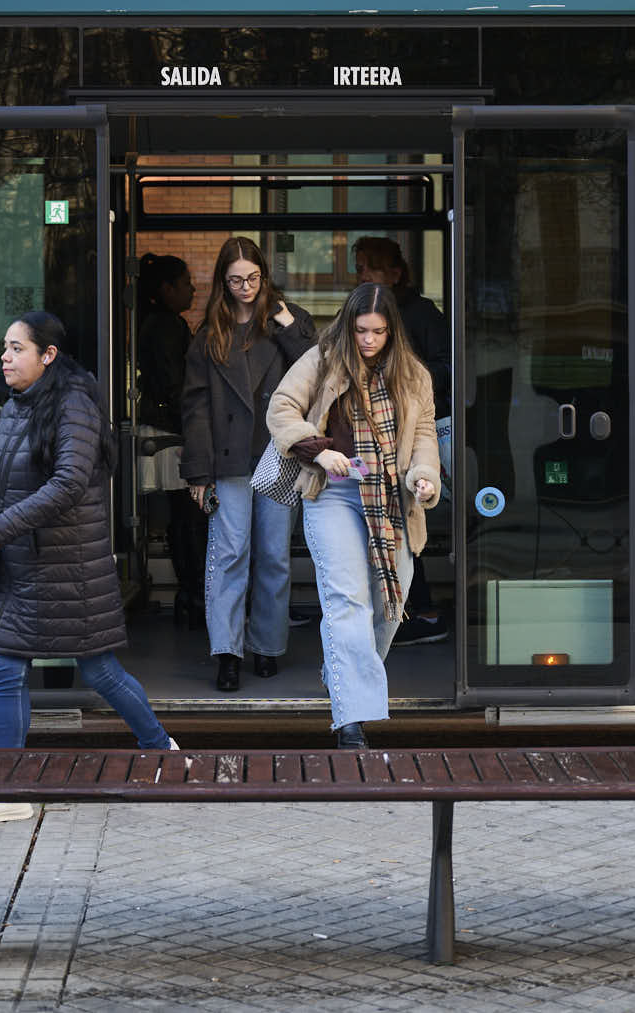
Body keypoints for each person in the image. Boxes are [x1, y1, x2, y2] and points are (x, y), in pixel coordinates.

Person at [0, 310, 179, 827]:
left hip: (65, 564)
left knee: (99, 669)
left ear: (48, 355)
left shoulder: (73, 405)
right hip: (26, 562)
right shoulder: (21, 404)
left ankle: (163, 752)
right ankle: (11, 785)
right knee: (7, 667)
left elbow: (67, 484)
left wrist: (2, 527)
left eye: (17, 348)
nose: (6, 357)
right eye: (6, 347)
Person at [267, 282, 441, 748]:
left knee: (391, 604)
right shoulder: (322, 359)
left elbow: (423, 432)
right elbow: (282, 409)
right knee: (347, 602)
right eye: (361, 330)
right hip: (334, 493)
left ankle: (339, 670)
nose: (368, 340)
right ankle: (351, 723)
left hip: (392, 498)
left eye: (378, 332)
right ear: (348, 324)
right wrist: (319, 451)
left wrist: (424, 474)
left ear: (392, 332)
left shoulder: (412, 375)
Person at [181, 237, 316, 691]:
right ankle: (227, 651)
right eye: (236, 280)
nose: (245, 287)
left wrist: (282, 320)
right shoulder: (208, 336)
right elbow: (195, 407)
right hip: (228, 460)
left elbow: (317, 369)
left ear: (264, 276)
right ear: (223, 281)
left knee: (275, 556)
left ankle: (267, 646)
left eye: (253, 278)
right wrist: (198, 474)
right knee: (229, 554)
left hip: (277, 456)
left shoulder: (286, 322)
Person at [351, 236, 451, 647]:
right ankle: (409, 609)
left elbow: (448, 367)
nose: (361, 277)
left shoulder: (422, 314)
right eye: (358, 269)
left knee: (407, 516)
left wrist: (405, 382)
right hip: (380, 435)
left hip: (419, 429)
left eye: (368, 269)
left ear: (394, 274)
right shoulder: (362, 314)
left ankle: (420, 610)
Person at [135, 253, 206, 627]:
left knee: (184, 517)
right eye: (184, 283)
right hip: (170, 432)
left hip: (165, 427)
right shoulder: (166, 326)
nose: (192, 289)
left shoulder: (159, 323)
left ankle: (191, 593)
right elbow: (175, 385)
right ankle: (193, 594)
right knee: (188, 518)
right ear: (166, 289)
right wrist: (196, 427)